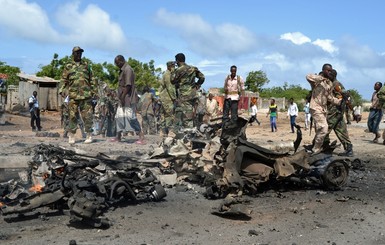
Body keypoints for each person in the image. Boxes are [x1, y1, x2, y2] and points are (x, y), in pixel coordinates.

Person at [60, 46, 97, 144]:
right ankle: (71, 136)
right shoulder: (68, 66)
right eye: (77, 53)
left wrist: (94, 91)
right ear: (73, 54)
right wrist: (62, 90)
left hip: (86, 95)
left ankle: (89, 135)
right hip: (73, 96)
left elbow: (92, 79)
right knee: (72, 116)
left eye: (80, 53)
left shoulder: (86, 65)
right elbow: (64, 79)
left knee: (87, 116)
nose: (79, 54)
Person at [306, 64, 341, 154]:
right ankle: (316, 149)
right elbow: (308, 76)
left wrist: (340, 101)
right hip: (315, 107)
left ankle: (316, 147)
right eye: (328, 71)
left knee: (319, 129)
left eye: (330, 71)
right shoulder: (317, 79)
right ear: (323, 70)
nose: (329, 72)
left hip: (323, 109)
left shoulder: (328, 84)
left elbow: (330, 98)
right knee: (324, 128)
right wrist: (321, 78)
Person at [111, 55, 145, 144]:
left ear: (122, 61)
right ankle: (118, 137)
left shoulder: (127, 69)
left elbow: (128, 85)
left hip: (128, 98)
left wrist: (122, 97)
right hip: (122, 98)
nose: (117, 65)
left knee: (131, 117)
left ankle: (141, 136)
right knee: (119, 117)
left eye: (118, 63)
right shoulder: (122, 70)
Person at [323, 69, 354, 157]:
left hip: (334, 111)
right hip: (338, 111)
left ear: (332, 75)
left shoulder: (335, 84)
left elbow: (344, 95)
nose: (327, 75)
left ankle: (324, 147)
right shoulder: (332, 83)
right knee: (341, 131)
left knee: (325, 129)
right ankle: (349, 149)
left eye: (329, 74)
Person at [172, 53, 205, 132]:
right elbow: (202, 77)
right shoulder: (193, 68)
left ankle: (189, 136)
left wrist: (173, 69)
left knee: (187, 117)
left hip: (184, 96)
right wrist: (197, 85)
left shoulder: (179, 70)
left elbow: (172, 80)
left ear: (177, 60)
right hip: (193, 94)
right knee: (191, 114)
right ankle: (188, 131)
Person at [159, 61, 176, 136]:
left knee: (163, 114)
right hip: (167, 97)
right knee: (170, 114)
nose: (174, 67)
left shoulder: (167, 74)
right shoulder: (168, 75)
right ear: (169, 66)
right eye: (173, 66)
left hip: (164, 97)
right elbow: (170, 87)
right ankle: (170, 131)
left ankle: (162, 131)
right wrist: (174, 98)